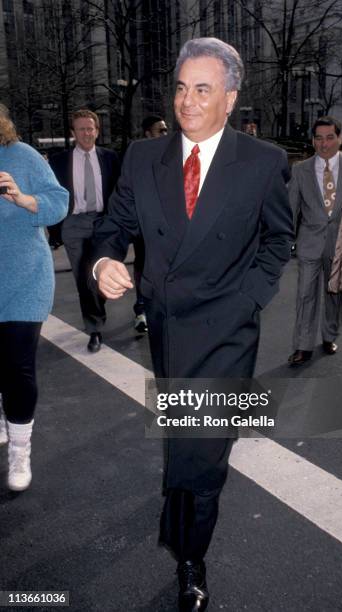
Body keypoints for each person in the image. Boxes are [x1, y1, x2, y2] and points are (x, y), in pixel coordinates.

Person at [92, 37, 293, 611]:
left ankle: (190, 558)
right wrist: (105, 261)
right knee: (184, 436)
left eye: (202, 89)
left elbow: (278, 240)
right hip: (166, 328)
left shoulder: (262, 162)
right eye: (181, 87)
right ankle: (180, 511)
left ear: (229, 98)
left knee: (203, 453)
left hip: (228, 332)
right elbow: (114, 225)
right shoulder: (141, 157)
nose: (187, 100)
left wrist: (249, 299)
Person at [0, 110, 68, 491]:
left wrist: (24, 199)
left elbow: (59, 202)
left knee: (18, 366)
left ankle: (20, 451)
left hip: (26, 279)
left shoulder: (21, 155)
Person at [288, 116, 342, 366]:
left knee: (335, 295)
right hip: (309, 244)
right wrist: (283, 242)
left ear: (340, 138)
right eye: (318, 138)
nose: (323, 143)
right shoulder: (300, 169)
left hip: (341, 244)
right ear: (312, 140)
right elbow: (290, 210)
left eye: (329, 137)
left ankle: (329, 335)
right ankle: (302, 346)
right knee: (305, 295)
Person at [49, 109, 120, 352]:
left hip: (103, 223)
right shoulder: (59, 161)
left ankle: (97, 311)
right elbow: (53, 195)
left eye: (90, 128)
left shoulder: (110, 158)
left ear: (97, 131)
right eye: (81, 129)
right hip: (74, 224)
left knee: (97, 276)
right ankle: (94, 329)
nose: (86, 133)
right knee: (83, 278)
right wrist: (55, 230)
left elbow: (121, 192)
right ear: (73, 133)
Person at [132, 115, 169, 333]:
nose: (165, 133)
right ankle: (141, 310)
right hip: (144, 223)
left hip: (168, 224)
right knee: (143, 266)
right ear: (148, 134)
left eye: (165, 130)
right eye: (160, 130)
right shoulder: (137, 156)